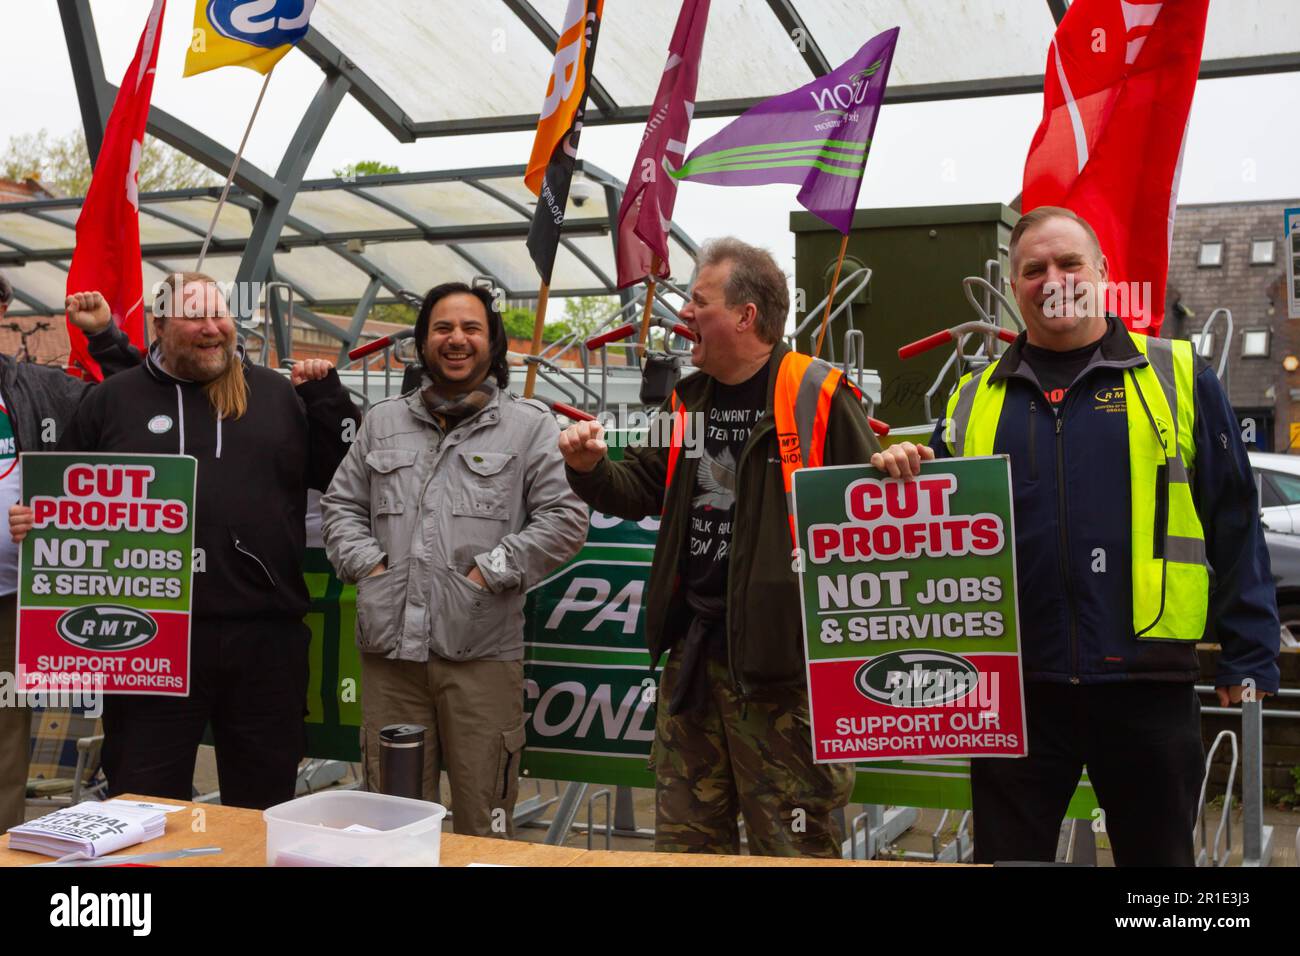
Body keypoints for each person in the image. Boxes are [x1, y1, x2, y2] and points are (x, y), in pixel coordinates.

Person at [873, 206, 1281, 866]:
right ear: (1015, 285)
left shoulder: (1179, 377)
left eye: (1068, 262)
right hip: (1018, 692)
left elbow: (1233, 520)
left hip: (1147, 684)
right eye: (1033, 268)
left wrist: (1250, 649)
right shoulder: (973, 398)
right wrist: (898, 473)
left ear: (1102, 273)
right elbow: (932, 529)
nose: (1052, 278)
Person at [558, 238, 883, 857]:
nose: (683, 315)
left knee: (791, 850)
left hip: (784, 677)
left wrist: (894, 465)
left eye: (697, 301)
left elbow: (870, 516)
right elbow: (641, 489)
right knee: (686, 847)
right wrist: (592, 468)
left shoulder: (817, 394)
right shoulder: (687, 399)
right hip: (694, 662)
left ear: (745, 316)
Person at [9, 272, 361, 810]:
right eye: (194, 316)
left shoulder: (275, 395)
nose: (212, 328)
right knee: (143, 801)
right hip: (148, 636)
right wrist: (37, 521)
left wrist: (330, 401)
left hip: (265, 635)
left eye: (219, 315)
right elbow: (63, 495)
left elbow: (343, 475)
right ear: (159, 326)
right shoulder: (111, 400)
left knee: (264, 804)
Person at [320, 281, 586, 837]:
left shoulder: (530, 426)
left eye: (471, 328)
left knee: (481, 816)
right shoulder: (383, 421)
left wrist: (487, 574)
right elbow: (341, 505)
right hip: (391, 658)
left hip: (481, 656)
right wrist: (370, 567)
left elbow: (564, 520)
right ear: (422, 343)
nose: (456, 339)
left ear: (493, 343)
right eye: (442, 328)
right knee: (393, 820)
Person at [0, 277, 138, 833]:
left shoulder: (38, 386)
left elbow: (143, 401)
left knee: (5, 745)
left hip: (14, 599)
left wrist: (105, 335)